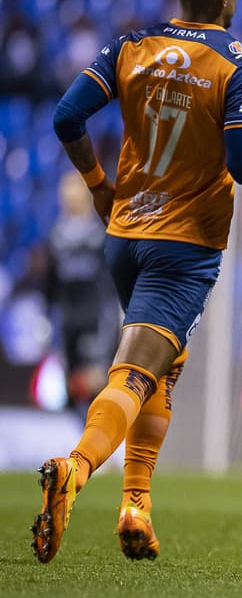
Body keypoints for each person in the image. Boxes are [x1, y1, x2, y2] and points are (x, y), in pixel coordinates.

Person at [31, 0, 242, 564]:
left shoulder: (131, 45)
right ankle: (76, 468)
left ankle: (137, 506)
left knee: (160, 368)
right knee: (136, 371)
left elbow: (68, 116)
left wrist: (98, 185)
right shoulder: (239, 64)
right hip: (185, 246)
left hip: (125, 236)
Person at [45, 171, 119, 417]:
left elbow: (110, 281)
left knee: (94, 383)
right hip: (70, 322)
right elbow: (51, 285)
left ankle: (98, 444)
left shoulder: (99, 236)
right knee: (73, 387)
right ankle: (81, 445)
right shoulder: (57, 237)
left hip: (94, 321)